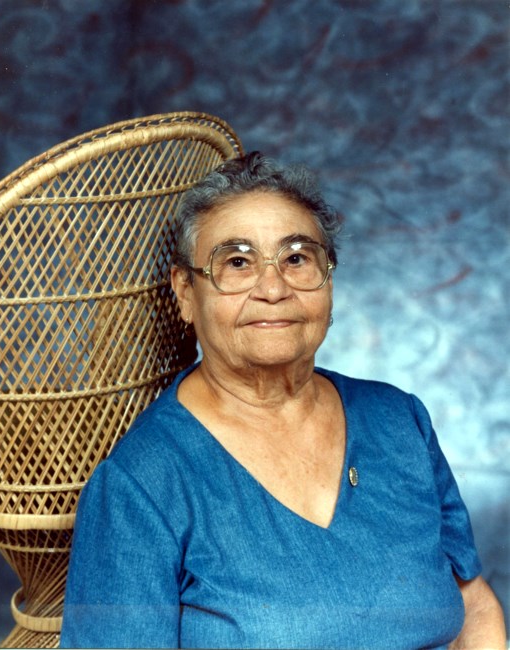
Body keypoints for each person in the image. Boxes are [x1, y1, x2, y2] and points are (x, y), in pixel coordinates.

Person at [60, 152, 506, 649]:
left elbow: (472, 603)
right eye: (237, 262)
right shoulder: (140, 484)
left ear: (328, 278)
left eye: (296, 258)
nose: (273, 288)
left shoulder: (400, 421)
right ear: (185, 292)